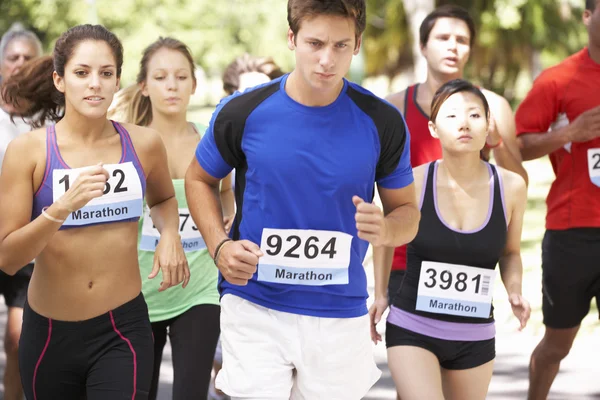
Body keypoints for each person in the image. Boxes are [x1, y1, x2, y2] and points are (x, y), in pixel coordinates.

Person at [185, 0, 420, 398]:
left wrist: (385, 229)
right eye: (315, 43)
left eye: (341, 46)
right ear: (292, 38)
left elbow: (407, 214)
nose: (327, 59)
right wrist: (219, 246)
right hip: (255, 301)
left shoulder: (382, 121)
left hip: (339, 310)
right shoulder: (243, 112)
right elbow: (198, 178)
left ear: (358, 44)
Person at [0, 24, 190, 399]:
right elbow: (8, 257)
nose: (95, 84)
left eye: (106, 74)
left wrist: (170, 235)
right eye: (82, 73)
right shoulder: (29, 152)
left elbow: (164, 201)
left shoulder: (144, 144)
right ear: (59, 79)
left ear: (118, 80)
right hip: (50, 333)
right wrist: (60, 209)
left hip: (122, 327)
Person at [373, 5, 528, 347]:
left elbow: (517, 183)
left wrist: (495, 138)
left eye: (462, 40)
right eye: (443, 38)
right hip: (407, 255)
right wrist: (379, 287)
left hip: (467, 260)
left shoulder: (493, 106)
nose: (453, 46)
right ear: (423, 46)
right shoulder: (393, 107)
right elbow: (379, 191)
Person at [381, 79, 530, 400]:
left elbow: (511, 252)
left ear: (489, 125)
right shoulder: (414, 182)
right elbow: (385, 236)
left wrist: (515, 291)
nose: (463, 123)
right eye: (451, 116)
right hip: (413, 326)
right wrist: (380, 295)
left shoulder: (512, 187)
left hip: (474, 334)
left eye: (475, 115)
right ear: (433, 129)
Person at [127, 36, 233, 400]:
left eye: (181, 76)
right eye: (160, 77)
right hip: (138, 291)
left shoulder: (210, 141)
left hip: (199, 289)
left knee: (191, 393)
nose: (171, 85)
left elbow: (226, 195)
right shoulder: (126, 143)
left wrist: (224, 224)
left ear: (193, 84)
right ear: (143, 86)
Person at [515, 1, 600, 399]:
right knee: (557, 345)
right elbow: (519, 145)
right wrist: (570, 133)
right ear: (588, 16)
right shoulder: (558, 79)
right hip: (573, 232)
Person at [208, 53, 284, 400]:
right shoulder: (226, 129)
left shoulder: (290, 131)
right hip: (236, 271)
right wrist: (222, 230)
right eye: (245, 94)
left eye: (263, 92)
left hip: (291, 276)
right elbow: (208, 183)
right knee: (230, 377)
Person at [0, 25, 43, 400]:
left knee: (17, 340)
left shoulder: (52, 119)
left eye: (28, 57)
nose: (19, 64)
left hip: (26, 243)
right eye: (12, 57)